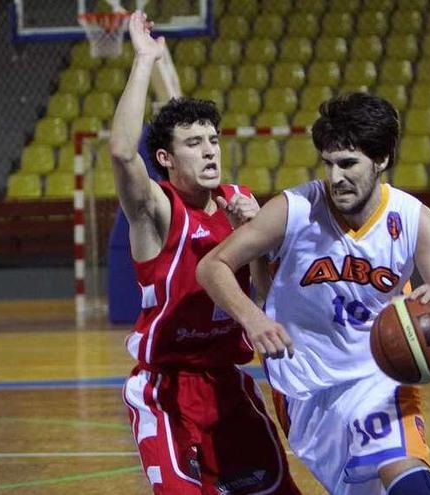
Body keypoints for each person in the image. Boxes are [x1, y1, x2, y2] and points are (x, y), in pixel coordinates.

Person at [198, 93, 430, 495]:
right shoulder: (295, 209)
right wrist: (253, 317)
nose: (336, 177)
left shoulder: (414, 220)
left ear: (381, 160)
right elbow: (212, 266)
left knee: (405, 471)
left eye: (348, 164)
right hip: (306, 388)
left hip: (380, 374)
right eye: (328, 163)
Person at [110, 11, 301, 495]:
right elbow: (121, 154)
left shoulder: (240, 204)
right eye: (195, 144)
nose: (211, 151)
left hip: (228, 386)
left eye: (214, 140)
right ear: (166, 161)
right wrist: (144, 60)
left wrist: (255, 238)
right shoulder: (156, 212)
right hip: (167, 391)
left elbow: (265, 294)